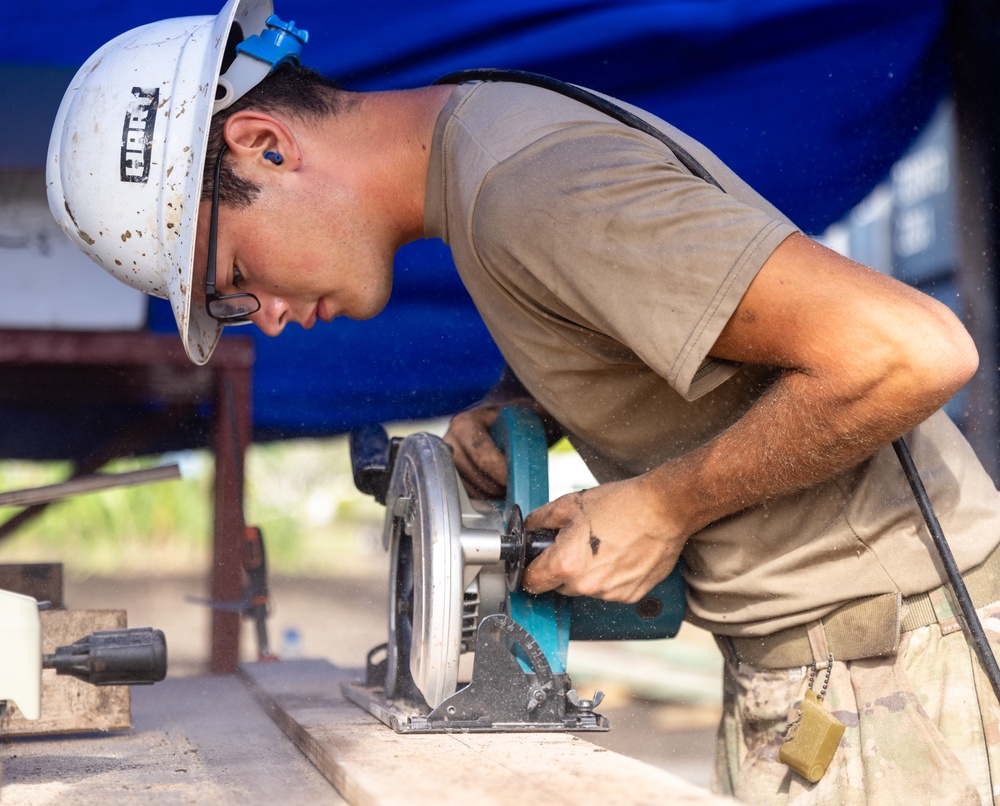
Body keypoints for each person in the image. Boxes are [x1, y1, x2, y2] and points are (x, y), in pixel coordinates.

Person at [46, 1, 1000, 802]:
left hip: (896, 674)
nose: (271, 318)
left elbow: (908, 350)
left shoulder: (529, 190)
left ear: (263, 145)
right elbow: (643, 314)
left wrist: (662, 508)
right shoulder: (485, 141)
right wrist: (525, 402)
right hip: (842, 664)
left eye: (236, 280)